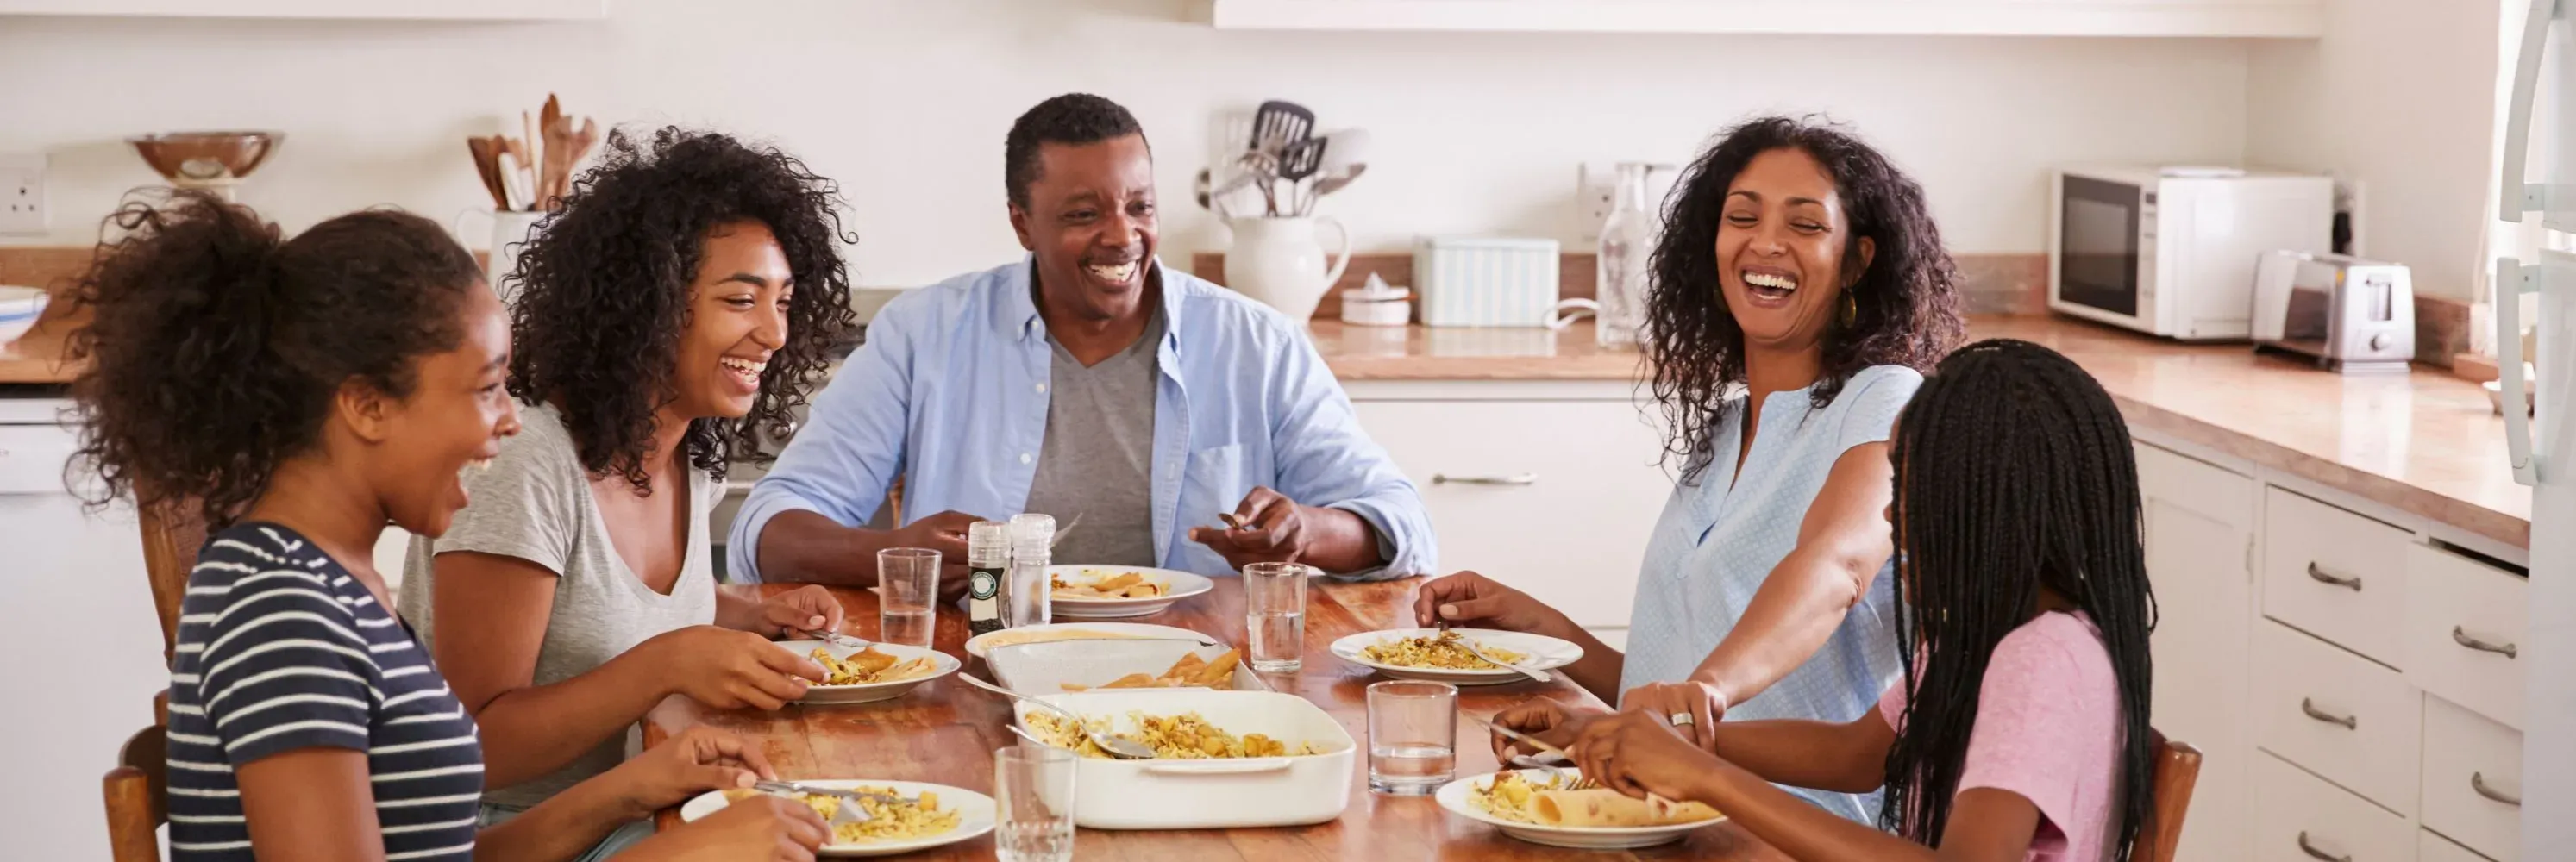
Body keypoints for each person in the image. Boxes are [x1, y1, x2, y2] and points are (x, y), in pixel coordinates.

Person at [69, 192, 830, 861]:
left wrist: (628, 792)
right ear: (367, 404)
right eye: (487, 388)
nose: (509, 423)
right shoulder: (281, 611)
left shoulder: (335, 581)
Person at [1416, 115, 1963, 822]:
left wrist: (1706, 690)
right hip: (1672, 817)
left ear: (1857, 261)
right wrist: (1540, 628)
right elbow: (1667, 700)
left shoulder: (1885, 399)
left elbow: (1839, 568)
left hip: (1793, 833)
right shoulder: (1727, 428)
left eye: (1805, 225)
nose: (1766, 242)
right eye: (1743, 217)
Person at [729, 93, 1433, 585]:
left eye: (1140, 206)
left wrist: (1306, 532)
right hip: (982, 671)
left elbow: (1402, 526)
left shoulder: (1257, 343)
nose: (1122, 235)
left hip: (1204, 678)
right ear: (1022, 223)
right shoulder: (924, 334)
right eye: (1083, 213)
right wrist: (891, 554)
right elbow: (767, 531)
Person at [396, 128, 861, 855]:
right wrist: (672, 661)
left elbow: (598, 610)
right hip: (510, 837)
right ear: (645, 307)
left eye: (785, 301)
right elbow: (473, 747)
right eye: (742, 299)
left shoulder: (686, 448)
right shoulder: (527, 463)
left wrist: (751, 612)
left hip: (643, 808)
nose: (774, 332)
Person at [1525, 339, 2159, 862]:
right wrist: (1646, 736)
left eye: (1911, 491)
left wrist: (1703, 774)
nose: (1890, 513)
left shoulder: (2041, 660)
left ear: (1991, 514)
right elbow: (1856, 755)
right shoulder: (1992, 639)